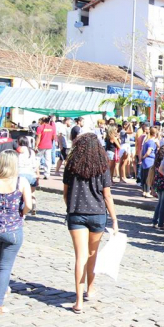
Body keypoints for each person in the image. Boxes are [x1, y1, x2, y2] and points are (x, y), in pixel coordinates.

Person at [63, 133, 118, 313]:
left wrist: (71, 207)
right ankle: (90, 288)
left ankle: (78, 301)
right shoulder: (102, 168)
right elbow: (107, 196)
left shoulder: (71, 167)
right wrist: (115, 219)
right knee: (92, 254)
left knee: (80, 257)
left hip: (76, 213)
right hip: (97, 214)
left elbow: (65, 193)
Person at [0, 150, 33, 316]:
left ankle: (0, 289)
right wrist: (22, 213)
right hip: (13, 230)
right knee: (5, 267)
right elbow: (29, 205)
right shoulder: (21, 181)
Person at [152, 145, 164, 230]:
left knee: (160, 203)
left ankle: (155, 220)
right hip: (163, 183)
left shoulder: (157, 159)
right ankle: (160, 222)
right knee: (163, 204)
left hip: (157, 182)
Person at [140, 127, 158, 198]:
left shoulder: (146, 141)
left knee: (144, 176)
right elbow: (149, 152)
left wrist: (142, 158)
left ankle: (144, 191)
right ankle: (147, 192)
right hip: (150, 160)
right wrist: (144, 156)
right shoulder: (151, 142)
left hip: (145, 161)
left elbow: (141, 150)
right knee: (149, 177)